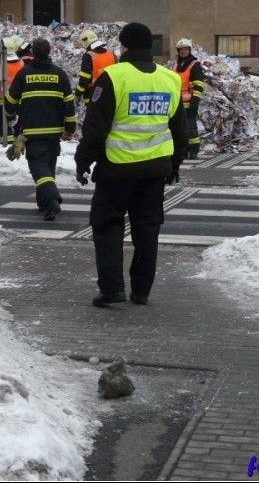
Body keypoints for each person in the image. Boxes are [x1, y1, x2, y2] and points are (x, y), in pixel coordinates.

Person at [75, 22, 187, 307]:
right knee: (148, 229)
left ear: (123, 47)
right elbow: (178, 128)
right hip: (155, 169)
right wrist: (175, 164)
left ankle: (112, 289)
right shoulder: (170, 78)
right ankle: (142, 290)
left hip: (118, 167)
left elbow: (96, 127)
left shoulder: (113, 76)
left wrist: (83, 161)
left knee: (107, 225)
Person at [4, 37, 76, 220]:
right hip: (53, 132)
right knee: (48, 168)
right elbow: (69, 103)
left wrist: (10, 118)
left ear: (33, 53)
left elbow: (11, 100)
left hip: (33, 132)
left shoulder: (24, 74)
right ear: (49, 52)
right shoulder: (59, 74)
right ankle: (43, 203)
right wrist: (70, 127)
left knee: (39, 167)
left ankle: (52, 200)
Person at [169, 38, 205, 159]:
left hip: (189, 103)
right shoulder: (175, 65)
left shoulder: (195, 65)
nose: (183, 51)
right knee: (178, 129)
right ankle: (182, 150)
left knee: (191, 129)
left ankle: (193, 151)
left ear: (189, 50)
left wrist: (194, 101)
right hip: (175, 104)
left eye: (185, 49)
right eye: (181, 49)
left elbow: (199, 85)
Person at [75, 29, 116, 104]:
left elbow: (84, 79)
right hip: (110, 95)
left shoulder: (88, 56)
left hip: (93, 96)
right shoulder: (111, 54)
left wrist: (77, 94)